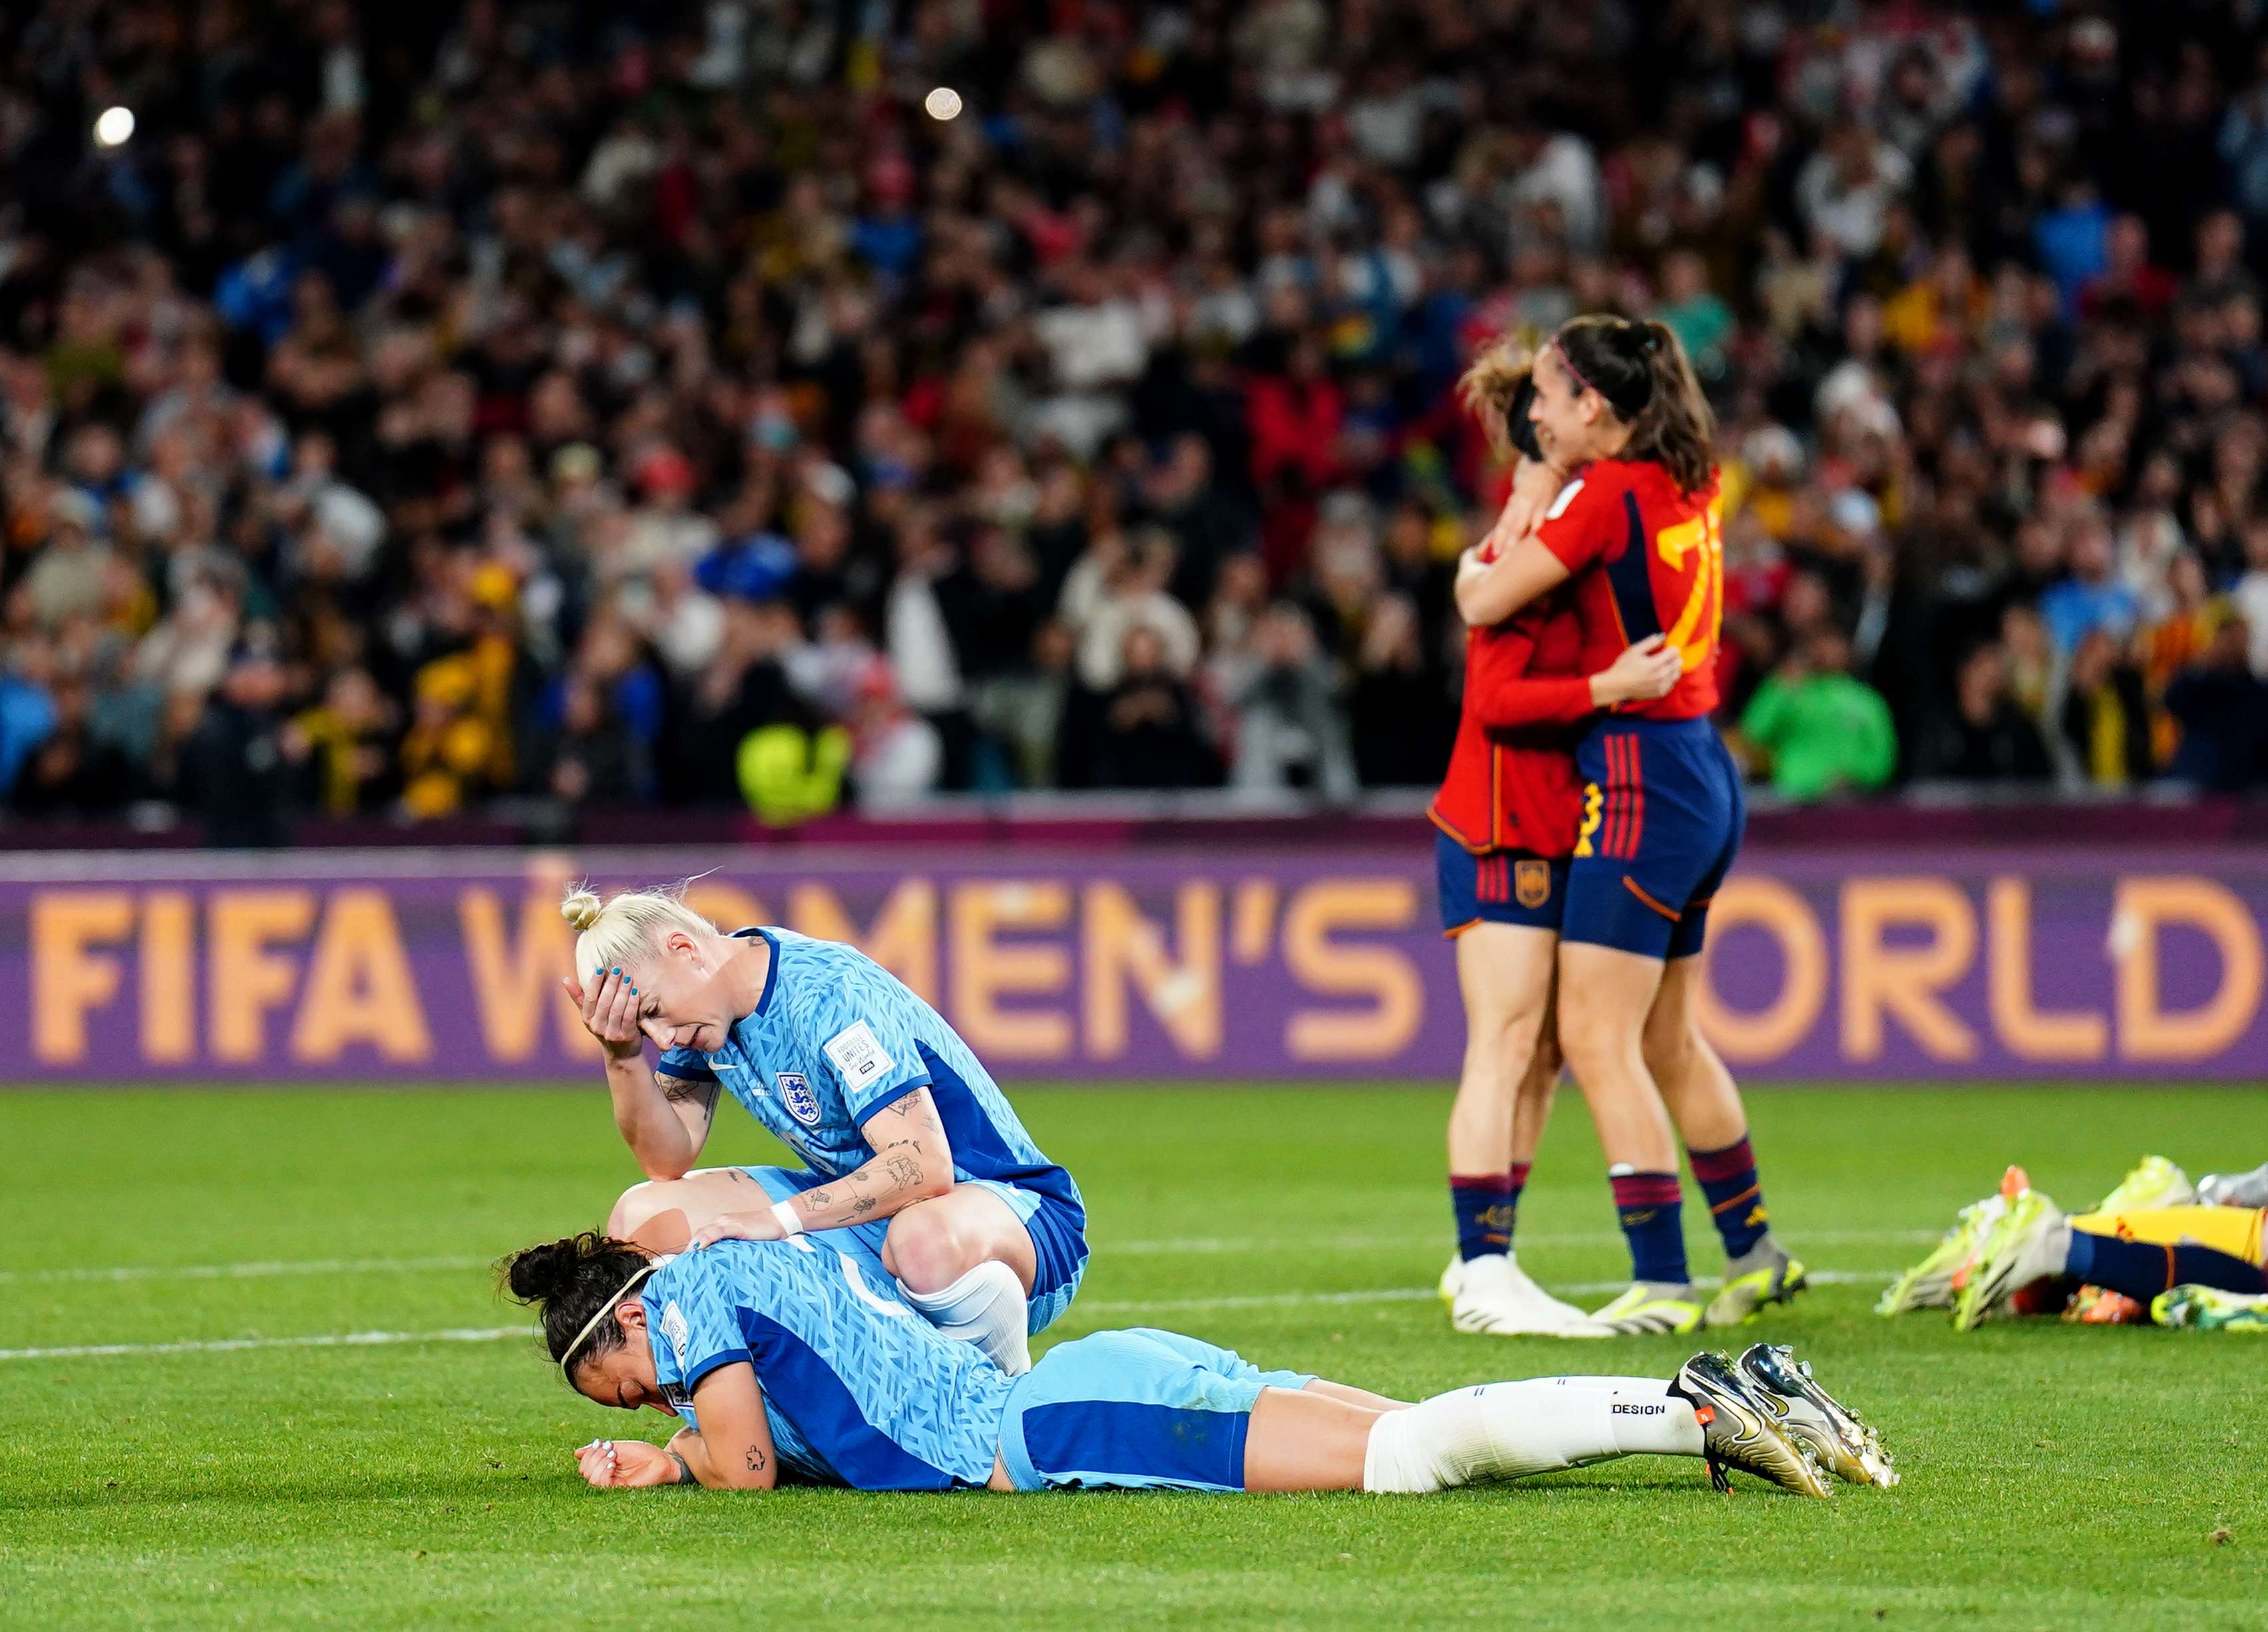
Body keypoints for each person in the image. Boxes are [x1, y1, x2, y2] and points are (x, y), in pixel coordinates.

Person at [504, 1231, 1897, 1496]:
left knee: (1404, 1460)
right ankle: (1723, 1385)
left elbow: (745, 1461)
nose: (644, 1393)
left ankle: (1693, 1407)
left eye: (616, 1380)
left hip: (1047, 1423)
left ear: (618, 1322)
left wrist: (663, 1461)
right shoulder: (757, 1255)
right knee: (1408, 1431)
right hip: (1082, 1370)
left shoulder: (683, 1308)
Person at [1449, 314, 1801, 1335]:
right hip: (1706, 770)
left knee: (1596, 1037)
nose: (1538, 419)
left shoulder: (1603, 495)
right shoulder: (1691, 474)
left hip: (1641, 776)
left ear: (1593, 408)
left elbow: (1484, 599)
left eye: (1551, 400)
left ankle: (1663, 1276)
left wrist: (1511, 512)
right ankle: (1756, 1251)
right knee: (1668, 1037)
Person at [558, 884, 1086, 1375]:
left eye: (652, 1012)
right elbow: (666, 1161)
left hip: (1010, 1216)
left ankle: (1005, 1390)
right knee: (644, 1218)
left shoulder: (826, 992)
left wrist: (779, 1220)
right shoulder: (703, 1013)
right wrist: (623, 1057)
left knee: (921, 1239)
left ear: (685, 948)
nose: (662, 1035)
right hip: (877, 1217)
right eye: (643, 1028)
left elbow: (924, 1166)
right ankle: (742, 1415)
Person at [1427, 339, 1683, 1338]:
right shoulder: (1542, 537)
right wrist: (1607, 690)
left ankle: (1482, 1255)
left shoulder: (1560, 515)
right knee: (1503, 1040)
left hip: (1537, 814)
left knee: (1536, 1053)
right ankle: (1485, 1267)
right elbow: (1493, 691)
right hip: (1499, 815)